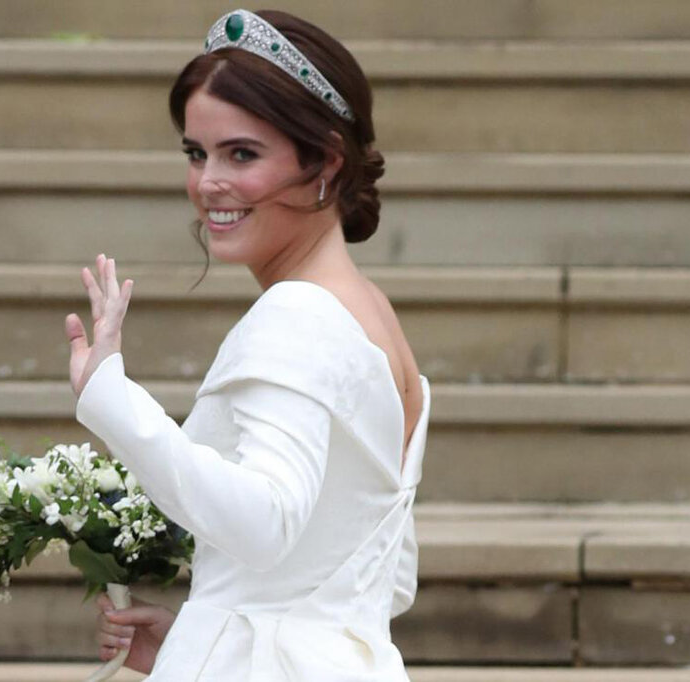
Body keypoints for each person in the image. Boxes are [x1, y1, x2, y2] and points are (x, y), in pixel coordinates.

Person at [63, 8, 431, 681]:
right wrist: (205, 636)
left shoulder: (297, 314)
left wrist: (111, 398)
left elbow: (265, 524)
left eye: (242, 154)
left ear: (324, 160)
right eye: (196, 153)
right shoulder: (371, 314)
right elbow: (385, 574)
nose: (208, 184)